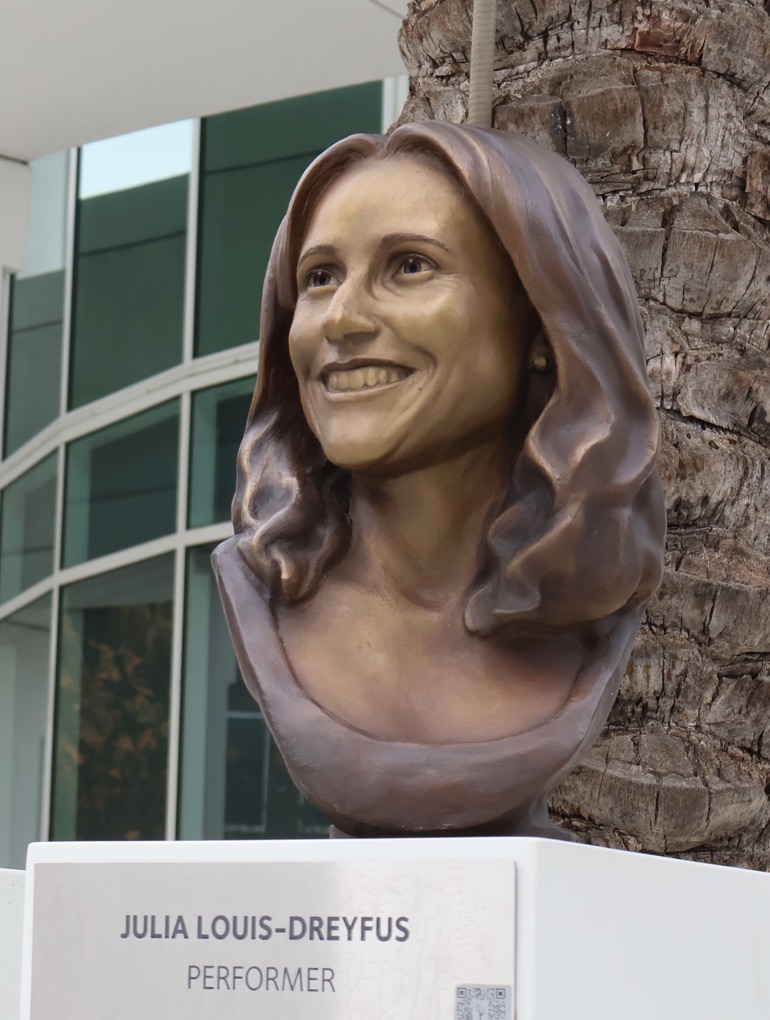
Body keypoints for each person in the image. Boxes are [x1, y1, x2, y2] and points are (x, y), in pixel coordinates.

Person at [213, 121, 666, 838]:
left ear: (542, 328)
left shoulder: (592, 597)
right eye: (319, 277)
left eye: (410, 266)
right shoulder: (260, 587)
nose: (344, 320)